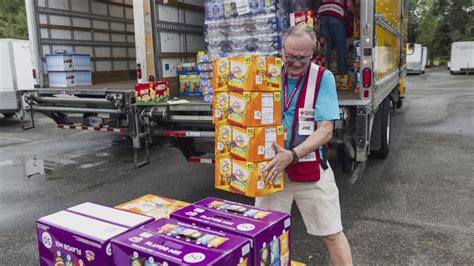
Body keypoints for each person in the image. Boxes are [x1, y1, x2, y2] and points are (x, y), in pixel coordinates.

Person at [256, 26, 352, 265]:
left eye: (303, 57)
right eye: (290, 57)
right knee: (266, 235)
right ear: (282, 50)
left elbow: (326, 129)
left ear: (313, 53)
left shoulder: (323, 77)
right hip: (273, 169)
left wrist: (294, 154)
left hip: (310, 167)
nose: (296, 63)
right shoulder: (268, 74)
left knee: (332, 233)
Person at [318, 0, 355, 74]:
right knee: (341, 48)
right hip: (336, 14)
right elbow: (349, 4)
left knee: (324, 48)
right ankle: (342, 76)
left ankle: (323, 75)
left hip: (322, 14)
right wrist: (357, 15)